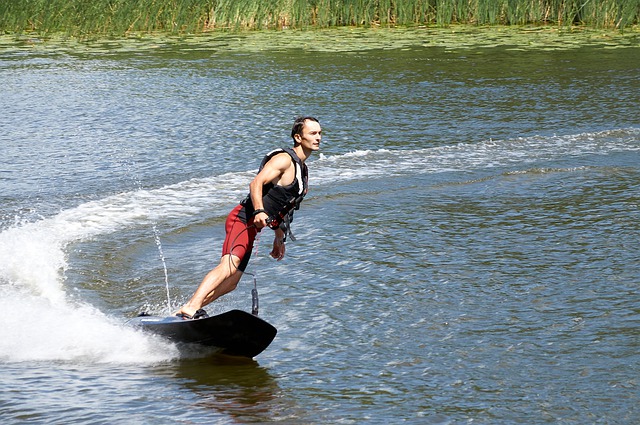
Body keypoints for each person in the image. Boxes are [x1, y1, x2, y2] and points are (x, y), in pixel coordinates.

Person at [175, 116, 322, 319]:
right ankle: (191, 306)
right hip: (242, 219)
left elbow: (280, 206)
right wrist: (259, 211)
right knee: (228, 266)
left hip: (254, 227)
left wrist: (279, 236)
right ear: (298, 137)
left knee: (232, 282)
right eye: (313, 133)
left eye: (320, 133)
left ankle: (186, 310)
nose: (318, 138)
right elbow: (256, 184)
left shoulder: (302, 170)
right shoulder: (284, 160)